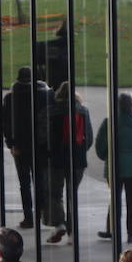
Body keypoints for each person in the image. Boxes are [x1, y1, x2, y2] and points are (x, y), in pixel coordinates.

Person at [1, 67, 53, 228]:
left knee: (24, 184)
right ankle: (42, 214)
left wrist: (10, 143)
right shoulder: (45, 95)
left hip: (20, 146)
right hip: (41, 146)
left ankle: (28, 216)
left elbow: (6, 123)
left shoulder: (11, 98)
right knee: (40, 181)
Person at [45, 83, 93, 245]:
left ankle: (59, 223)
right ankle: (73, 233)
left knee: (55, 193)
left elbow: (44, 136)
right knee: (72, 195)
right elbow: (89, 137)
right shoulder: (83, 111)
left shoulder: (52, 111)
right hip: (78, 160)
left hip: (57, 159)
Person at [97, 92, 132, 242]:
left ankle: (112, 230)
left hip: (115, 167)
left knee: (114, 200)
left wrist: (106, 155)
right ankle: (131, 233)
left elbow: (101, 146)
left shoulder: (110, 121)